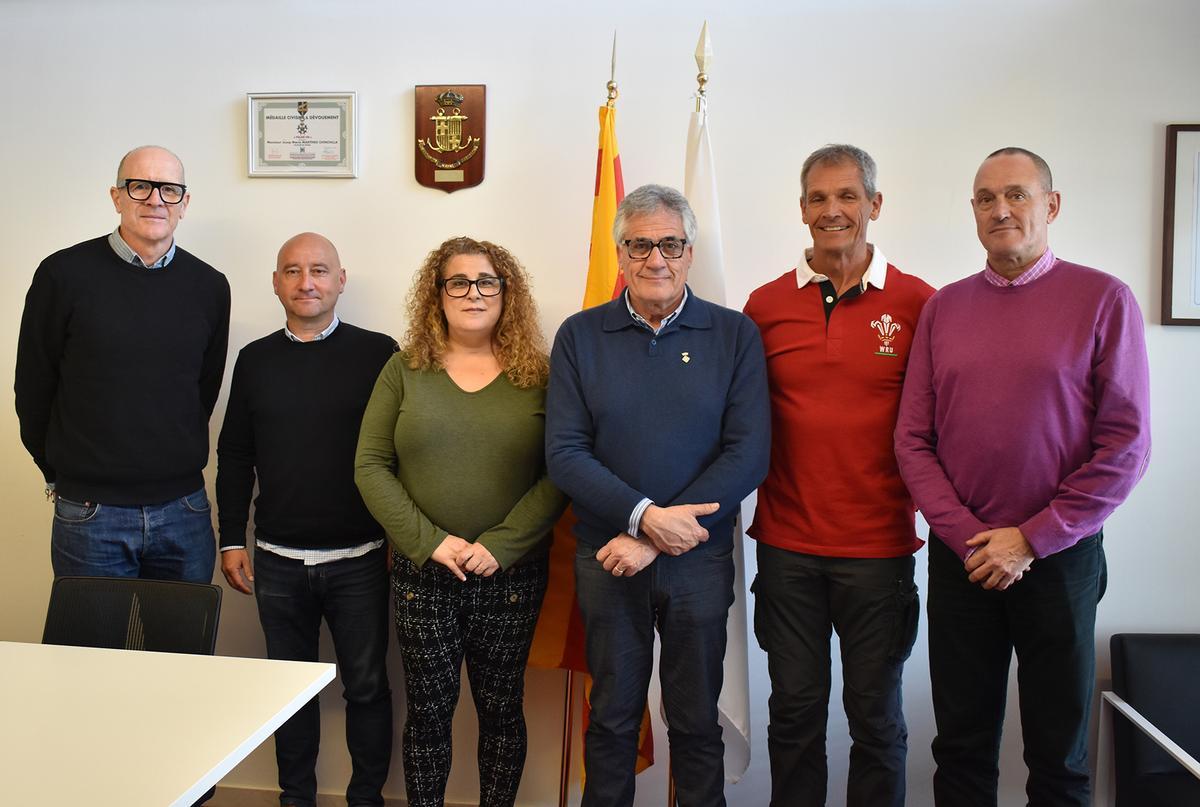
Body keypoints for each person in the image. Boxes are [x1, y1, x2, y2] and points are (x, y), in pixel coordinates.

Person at [895, 147, 1151, 806]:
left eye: (1016, 194)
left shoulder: (1102, 299)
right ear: (973, 212)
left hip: (1060, 560)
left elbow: (1125, 445)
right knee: (960, 751)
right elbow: (913, 441)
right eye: (985, 198)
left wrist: (1031, 539)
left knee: (1060, 756)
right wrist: (970, 537)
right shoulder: (944, 309)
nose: (1000, 209)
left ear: (1052, 205)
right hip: (964, 561)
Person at [546, 184, 770, 807]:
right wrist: (645, 520)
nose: (656, 259)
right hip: (607, 556)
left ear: (690, 252)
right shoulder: (580, 336)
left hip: (697, 559)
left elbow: (747, 454)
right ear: (620, 254)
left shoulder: (734, 335)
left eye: (669, 243)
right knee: (613, 718)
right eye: (640, 244)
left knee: (697, 721)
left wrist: (658, 535)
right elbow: (564, 452)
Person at [743, 144, 934, 807]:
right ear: (801, 211)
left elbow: (941, 423)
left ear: (874, 205)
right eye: (819, 198)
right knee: (794, 715)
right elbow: (736, 421)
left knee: (877, 720)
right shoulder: (764, 306)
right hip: (788, 548)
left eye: (848, 196)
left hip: (879, 551)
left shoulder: (919, 304)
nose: (833, 210)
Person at [355, 236, 566, 807]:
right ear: (437, 295)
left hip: (511, 576)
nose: (473, 292)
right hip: (423, 574)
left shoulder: (540, 375)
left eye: (486, 281)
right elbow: (370, 466)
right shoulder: (403, 370)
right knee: (427, 711)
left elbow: (562, 471)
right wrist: (428, 542)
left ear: (507, 293)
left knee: (501, 708)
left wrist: (501, 544)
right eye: (458, 282)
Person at [216, 232, 396, 807]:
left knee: (367, 688)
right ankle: (297, 797)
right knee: (289, 693)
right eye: (292, 271)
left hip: (362, 559)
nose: (307, 282)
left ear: (341, 280)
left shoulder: (379, 353)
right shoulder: (255, 359)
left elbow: (402, 452)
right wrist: (229, 540)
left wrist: (401, 536)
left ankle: (364, 798)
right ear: (276, 283)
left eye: (319, 270)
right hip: (276, 560)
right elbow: (236, 455)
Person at [15, 145, 230, 582]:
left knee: (180, 650)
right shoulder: (61, 275)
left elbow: (202, 391)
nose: (155, 199)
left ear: (184, 203)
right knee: (90, 650)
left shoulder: (209, 286)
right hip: (91, 513)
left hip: (184, 511)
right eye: (140, 186)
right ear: (117, 197)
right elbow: (34, 389)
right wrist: (62, 473)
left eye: (169, 189)